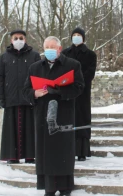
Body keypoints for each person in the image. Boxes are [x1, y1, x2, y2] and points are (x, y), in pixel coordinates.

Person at [22, 36, 84, 196]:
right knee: (46, 152)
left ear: (59, 49)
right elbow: (25, 91)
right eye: (46, 47)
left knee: (63, 150)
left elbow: (79, 87)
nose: (49, 50)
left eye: (52, 47)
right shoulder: (35, 68)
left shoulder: (72, 65)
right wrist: (34, 93)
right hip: (43, 114)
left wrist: (59, 92)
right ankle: (49, 187)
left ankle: (65, 187)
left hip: (63, 113)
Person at [0, 29, 41, 164]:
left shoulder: (34, 56)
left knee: (30, 128)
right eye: (15, 38)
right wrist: (0, 97)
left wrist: (37, 94)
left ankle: (30, 155)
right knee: (11, 130)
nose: (18, 40)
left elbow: (39, 76)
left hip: (29, 98)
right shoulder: (3, 58)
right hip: (11, 99)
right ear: (11, 40)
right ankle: (12, 156)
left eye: (21, 38)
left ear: (25, 40)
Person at [62, 27, 97, 161]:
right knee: (68, 118)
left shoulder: (90, 54)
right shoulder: (65, 53)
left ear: (83, 37)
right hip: (67, 90)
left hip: (82, 91)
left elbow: (90, 72)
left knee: (82, 118)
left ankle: (82, 151)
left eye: (79, 35)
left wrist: (78, 80)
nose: (76, 36)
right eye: (74, 34)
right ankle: (69, 149)